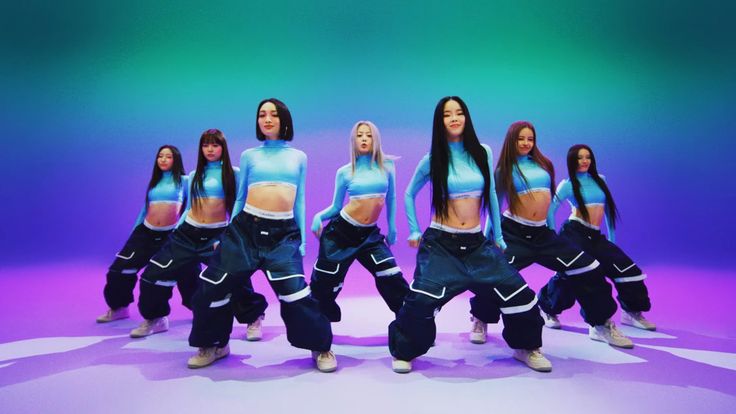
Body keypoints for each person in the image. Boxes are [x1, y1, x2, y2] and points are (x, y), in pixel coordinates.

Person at [388, 97, 551, 374]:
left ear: (466, 118)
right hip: (441, 245)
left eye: (459, 113)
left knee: (520, 295)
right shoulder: (432, 160)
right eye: (447, 114)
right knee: (420, 301)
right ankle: (405, 350)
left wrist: (498, 237)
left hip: (477, 244)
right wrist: (414, 229)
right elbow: (408, 193)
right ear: (439, 122)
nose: (454, 118)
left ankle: (526, 347)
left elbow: (490, 195)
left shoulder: (482, 152)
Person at [188, 99, 334, 372]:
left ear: (284, 120)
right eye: (262, 115)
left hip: (283, 234)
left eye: (273, 115)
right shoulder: (249, 155)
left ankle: (321, 347)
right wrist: (228, 231)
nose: (267, 119)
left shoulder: (298, 156)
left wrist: (301, 239)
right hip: (244, 230)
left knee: (296, 294)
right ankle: (214, 344)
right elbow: (241, 196)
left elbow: (299, 199)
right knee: (212, 286)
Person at [468, 122, 630, 349]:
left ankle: (600, 324)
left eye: (530, 139)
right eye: (520, 139)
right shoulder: (502, 171)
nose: (526, 143)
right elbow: (493, 208)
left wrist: (553, 231)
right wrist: (487, 240)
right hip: (513, 232)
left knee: (590, 268)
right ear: (511, 141)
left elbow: (549, 202)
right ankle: (480, 318)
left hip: (543, 234)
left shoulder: (544, 165)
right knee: (494, 273)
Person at [131, 129, 267, 340]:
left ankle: (254, 317)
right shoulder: (194, 174)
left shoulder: (234, 173)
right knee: (152, 276)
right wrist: (177, 230)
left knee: (233, 277)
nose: (210, 149)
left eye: (215, 145)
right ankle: (156, 318)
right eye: (205, 145)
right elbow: (189, 207)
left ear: (223, 147)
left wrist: (231, 235)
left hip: (217, 234)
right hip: (187, 234)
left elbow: (241, 206)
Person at [542, 144, 655, 332]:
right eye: (579, 158)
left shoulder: (601, 180)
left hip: (595, 235)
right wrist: (553, 237)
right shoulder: (568, 184)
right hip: (574, 233)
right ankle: (548, 309)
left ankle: (631, 312)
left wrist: (612, 238)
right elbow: (550, 211)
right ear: (572, 161)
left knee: (627, 269)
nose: (584, 161)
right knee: (573, 274)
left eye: (588, 157)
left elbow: (609, 211)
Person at [310, 121, 409, 323]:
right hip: (340, 233)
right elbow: (336, 207)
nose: (364, 139)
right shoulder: (345, 172)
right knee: (325, 281)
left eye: (368, 135)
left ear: (375, 139)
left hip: (369, 236)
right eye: (360, 135)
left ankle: (411, 322)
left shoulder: (387, 166)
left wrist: (393, 228)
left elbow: (391, 199)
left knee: (391, 276)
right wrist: (318, 217)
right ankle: (318, 322)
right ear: (353, 141)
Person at [97, 145, 194, 323]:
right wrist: (135, 232)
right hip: (145, 233)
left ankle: (198, 310)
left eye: (168, 157)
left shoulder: (185, 180)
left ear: (176, 160)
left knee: (187, 271)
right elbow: (145, 209)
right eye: (160, 156)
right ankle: (119, 308)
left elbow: (190, 208)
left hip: (171, 235)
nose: (163, 159)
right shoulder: (154, 181)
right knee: (118, 270)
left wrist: (180, 232)